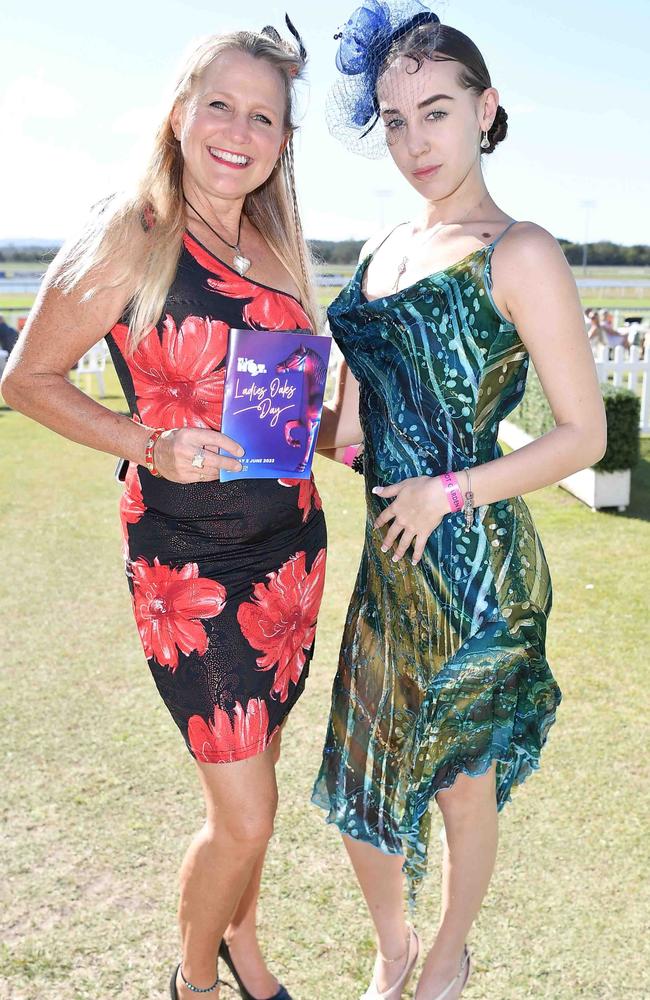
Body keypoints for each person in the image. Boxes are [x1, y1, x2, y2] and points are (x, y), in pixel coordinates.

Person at [1, 21, 326, 1000]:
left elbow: (288, 394)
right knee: (246, 816)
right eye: (219, 104)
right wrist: (147, 442)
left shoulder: (273, 238)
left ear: (282, 138)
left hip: (289, 552)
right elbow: (28, 378)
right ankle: (193, 980)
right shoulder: (132, 230)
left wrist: (342, 426)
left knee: (255, 794)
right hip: (189, 565)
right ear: (179, 114)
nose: (239, 128)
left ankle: (245, 947)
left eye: (262, 114)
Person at [313, 3, 606, 999]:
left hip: (474, 557)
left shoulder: (518, 251)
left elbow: (583, 434)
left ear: (485, 110)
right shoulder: (378, 250)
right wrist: (275, 421)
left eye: (434, 112)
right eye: (393, 120)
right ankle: (391, 946)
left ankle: (443, 959)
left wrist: (448, 489)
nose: (413, 142)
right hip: (386, 560)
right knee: (360, 775)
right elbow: (348, 428)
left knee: (457, 782)